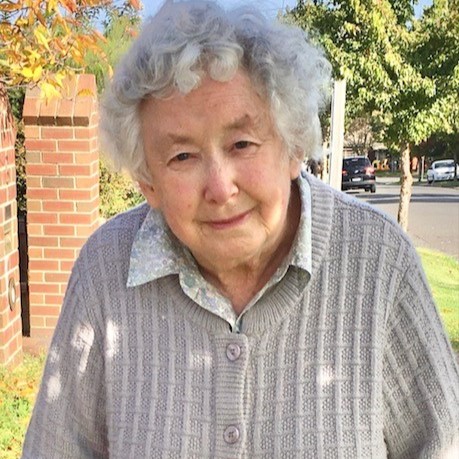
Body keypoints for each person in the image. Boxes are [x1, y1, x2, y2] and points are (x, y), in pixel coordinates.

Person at [22, 1, 459, 458]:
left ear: (292, 147)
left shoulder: (378, 263)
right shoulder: (105, 271)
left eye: (242, 144)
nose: (219, 187)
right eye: (182, 156)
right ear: (147, 181)